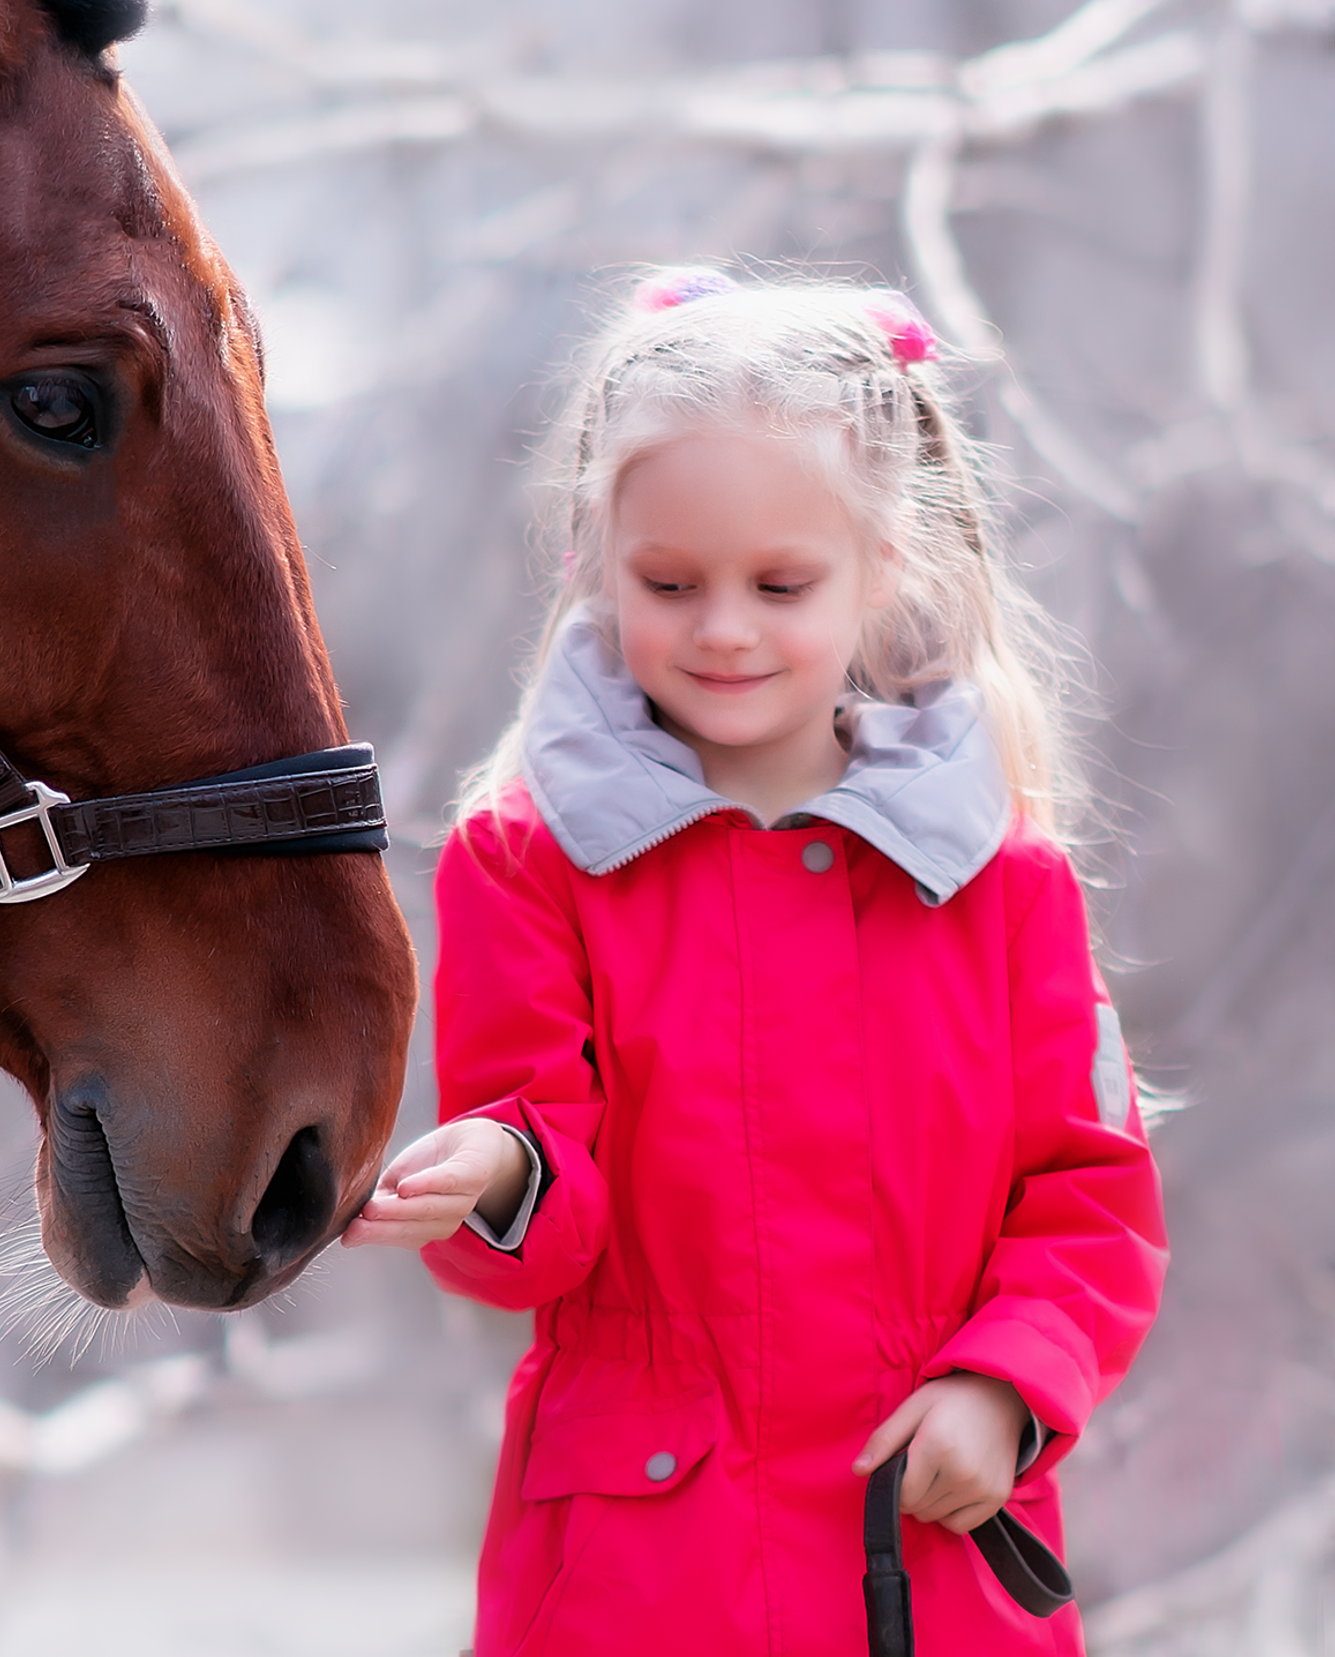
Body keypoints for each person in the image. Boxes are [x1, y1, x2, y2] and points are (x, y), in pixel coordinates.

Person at [344, 268, 1168, 1655]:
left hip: (928, 1557)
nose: (723, 628)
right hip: (636, 1576)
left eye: (780, 584)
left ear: (883, 568)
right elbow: (546, 1189)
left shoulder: (1001, 879)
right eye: (672, 584)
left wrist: (1007, 1386)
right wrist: (499, 1168)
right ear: (600, 569)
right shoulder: (529, 857)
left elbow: (1093, 1200)